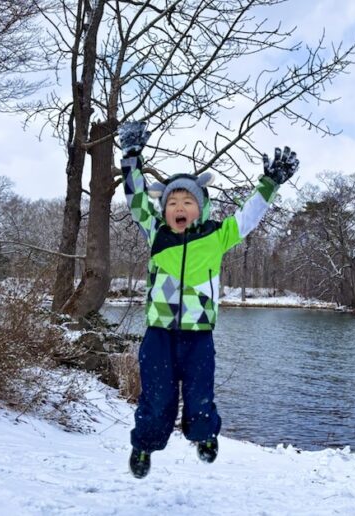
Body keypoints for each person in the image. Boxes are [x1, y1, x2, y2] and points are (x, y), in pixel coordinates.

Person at [117, 121, 299, 479]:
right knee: (156, 396)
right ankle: (144, 445)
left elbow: (249, 215)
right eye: (172, 202)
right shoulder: (156, 233)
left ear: (200, 207)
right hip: (159, 334)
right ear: (165, 210)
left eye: (187, 201)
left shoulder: (217, 236)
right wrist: (131, 156)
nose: (179, 206)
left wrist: (270, 183)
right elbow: (137, 200)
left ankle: (204, 436)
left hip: (199, 334)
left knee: (201, 393)